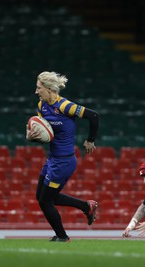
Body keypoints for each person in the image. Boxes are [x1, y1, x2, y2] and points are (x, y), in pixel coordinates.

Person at [26, 71, 99, 242]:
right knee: (42, 197)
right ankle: (86, 206)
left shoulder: (65, 106)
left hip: (64, 162)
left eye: (39, 88)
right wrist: (32, 137)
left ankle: (62, 236)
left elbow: (94, 116)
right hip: (52, 159)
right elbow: (45, 134)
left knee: (45, 201)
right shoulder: (41, 106)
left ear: (50, 89)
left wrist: (90, 140)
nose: (36, 92)